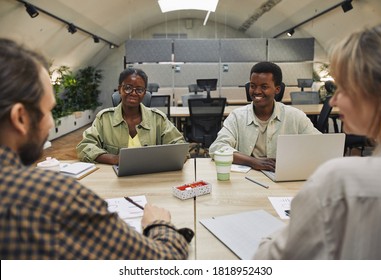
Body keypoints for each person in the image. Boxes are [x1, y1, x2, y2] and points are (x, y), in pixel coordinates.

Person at [0, 38, 189, 259]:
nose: (52, 124)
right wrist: (159, 225)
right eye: (48, 110)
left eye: (139, 89)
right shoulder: (50, 195)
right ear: (20, 118)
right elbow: (162, 261)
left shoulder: (156, 118)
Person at [254, 22, 381, 259]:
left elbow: (270, 261)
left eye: (344, 89)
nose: (334, 101)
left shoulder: (341, 182)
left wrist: (298, 222)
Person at [209, 61, 320, 171]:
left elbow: (319, 144)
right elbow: (217, 148)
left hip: (283, 176)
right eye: (253, 86)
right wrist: (252, 161)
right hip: (247, 179)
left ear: (277, 89)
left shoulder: (295, 116)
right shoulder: (237, 117)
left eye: (264, 87)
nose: (256, 91)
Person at [76, 67, 186, 165]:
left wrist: (157, 160)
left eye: (139, 90)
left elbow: (180, 146)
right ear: (120, 89)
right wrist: (114, 159)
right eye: (128, 87)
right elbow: (85, 147)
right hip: (114, 179)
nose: (133, 93)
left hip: (150, 177)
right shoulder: (104, 118)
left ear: (144, 93)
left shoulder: (158, 119)